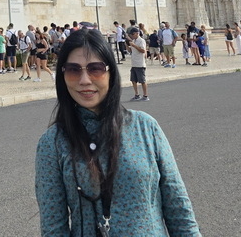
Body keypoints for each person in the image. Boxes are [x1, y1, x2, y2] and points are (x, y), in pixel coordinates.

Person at [35, 27, 199, 235]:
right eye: (73, 70)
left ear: (111, 73)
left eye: (95, 68)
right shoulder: (53, 143)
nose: (84, 80)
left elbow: (179, 210)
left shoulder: (145, 127)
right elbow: (53, 228)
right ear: (63, 76)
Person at [126, 27, 149, 101]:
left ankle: (145, 95)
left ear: (137, 33)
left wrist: (134, 45)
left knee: (142, 81)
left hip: (140, 64)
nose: (132, 36)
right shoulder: (134, 41)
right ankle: (137, 94)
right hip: (134, 63)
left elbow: (143, 50)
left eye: (133, 34)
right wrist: (127, 45)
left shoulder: (141, 41)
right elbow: (131, 50)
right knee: (133, 80)